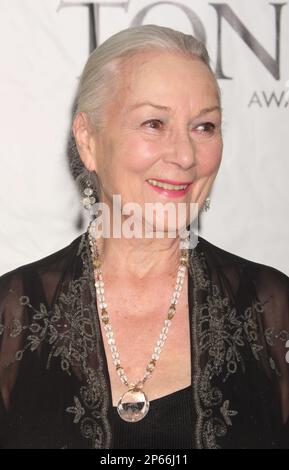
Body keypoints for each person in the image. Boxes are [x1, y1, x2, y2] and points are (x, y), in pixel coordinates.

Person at [0, 24, 288, 450]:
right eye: (154, 123)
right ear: (88, 140)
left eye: (204, 126)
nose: (186, 156)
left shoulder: (270, 309)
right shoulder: (12, 317)